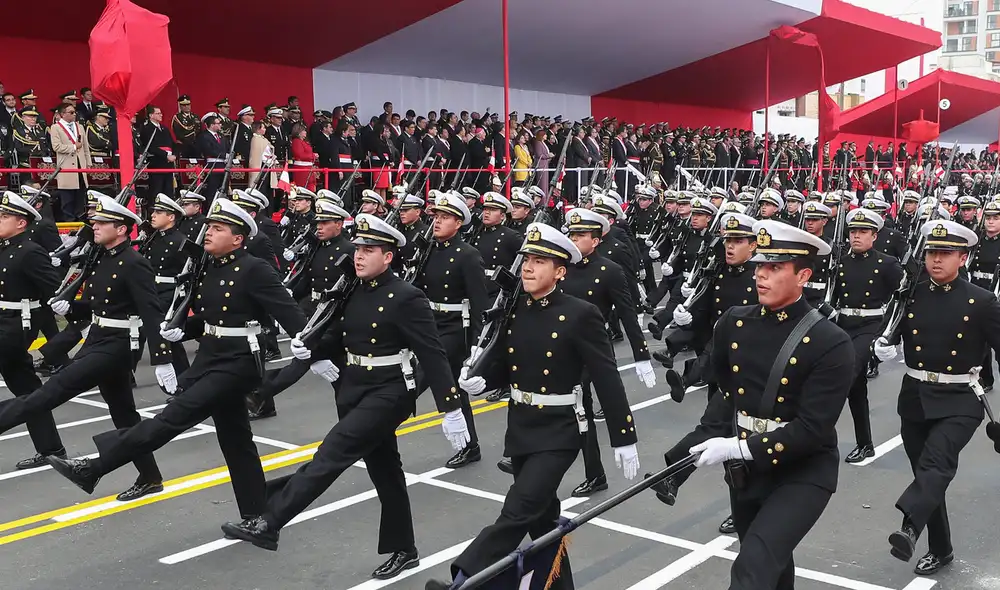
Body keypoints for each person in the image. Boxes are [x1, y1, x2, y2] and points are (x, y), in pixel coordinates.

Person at [222, 213, 467, 581]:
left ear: (389, 256)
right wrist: (312, 349)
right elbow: (339, 334)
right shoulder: (352, 290)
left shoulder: (407, 297)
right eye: (358, 249)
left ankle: (270, 521)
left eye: (369, 250)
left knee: (332, 453)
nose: (359, 256)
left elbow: (432, 353)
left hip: (389, 392)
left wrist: (450, 406)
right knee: (386, 472)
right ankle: (405, 549)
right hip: (354, 387)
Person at [48, 198, 308, 522]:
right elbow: (212, 318)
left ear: (239, 238)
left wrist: (310, 354)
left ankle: (94, 467)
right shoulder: (208, 265)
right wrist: (180, 332)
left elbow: (292, 316)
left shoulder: (256, 270)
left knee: (172, 418)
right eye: (209, 226)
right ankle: (258, 513)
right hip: (211, 359)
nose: (208, 232)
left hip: (238, 364)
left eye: (217, 228)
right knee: (236, 441)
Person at [425, 222, 640, 590]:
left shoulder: (581, 313)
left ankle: (463, 579)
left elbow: (606, 377)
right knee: (543, 522)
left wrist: (623, 436)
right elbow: (508, 368)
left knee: (518, 509)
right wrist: (482, 381)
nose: (527, 267)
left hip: (558, 432)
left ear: (559, 271)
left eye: (540, 261)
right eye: (527, 259)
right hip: (521, 427)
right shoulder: (513, 309)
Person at [655, 219, 854, 590]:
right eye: (760, 265)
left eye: (775, 268)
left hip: (801, 472)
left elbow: (813, 429)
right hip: (746, 473)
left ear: (803, 275)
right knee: (772, 570)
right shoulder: (735, 323)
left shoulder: (831, 342)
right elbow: (728, 399)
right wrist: (680, 461)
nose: (761, 275)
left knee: (752, 568)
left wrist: (737, 447)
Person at [2, 196, 171, 501]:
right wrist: (71, 306)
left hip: (118, 345)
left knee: (52, 390)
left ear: (121, 229)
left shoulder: (134, 263)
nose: (95, 225)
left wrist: (161, 358)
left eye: (103, 222)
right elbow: (96, 306)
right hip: (99, 338)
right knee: (124, 415)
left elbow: (151, 311)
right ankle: (150, 476)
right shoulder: (101, 257)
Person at [873, 219, 1000, 575]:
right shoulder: (912, 291)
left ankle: (909, 527)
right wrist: (883, 344)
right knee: (929, 476)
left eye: (946, 253)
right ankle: (941, 549)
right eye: (931, 252)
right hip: (915, 395)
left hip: (960, 398)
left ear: (963, 257)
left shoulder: (982, 301)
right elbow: (895, 328)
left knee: (935, 464)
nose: (936, 260)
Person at [412, 192, 490, 468]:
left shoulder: (468, 255)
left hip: (456, 329)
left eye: (445, 218)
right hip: (430, 324)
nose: (437, 222)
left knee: (421, 378)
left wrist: (479, 345)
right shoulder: (429, 249)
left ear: (458, 223)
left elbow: (481, 304)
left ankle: (382, 423)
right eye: (436, 217)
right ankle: (470, 446)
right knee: (455, 389)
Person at [831, 208, 902, 463]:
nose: (856, 236)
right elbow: (832, 294)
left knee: (842, 378)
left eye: (863, 232)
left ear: (874, 235)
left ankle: (817, 436)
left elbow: (901, 299)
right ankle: (865, 444)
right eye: (853, 231)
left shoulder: (886, 263)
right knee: (856, 389)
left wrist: (888, 334)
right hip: (841, 325)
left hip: (869, 326)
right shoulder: (838, 260)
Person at [0, 191, 64, 469]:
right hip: (4, 322)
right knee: (27, 389)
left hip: (15, 326)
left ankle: (51, 447)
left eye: (4, 217)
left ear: (21, 223)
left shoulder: (30, 251)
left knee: (25, 388)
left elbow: (54, 289)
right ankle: (51, 448)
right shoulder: (5, 247)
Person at [134, 193, 193, 377]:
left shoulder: (180, 241)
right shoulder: (154, 238)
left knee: (165, 335)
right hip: (150, 291)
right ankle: (126, 373)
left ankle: (184, 379)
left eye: (159, 212)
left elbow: (188, 273)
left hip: (169, 294)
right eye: (154, 211)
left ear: (171, 217)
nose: (153, 215)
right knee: (136, 332)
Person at [49, 103, 92, 221]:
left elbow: (85, 147)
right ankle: (69, 223)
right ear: (62, 114)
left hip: (80, 166)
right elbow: (56, 147)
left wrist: (88, 163)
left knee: (80, 196)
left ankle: (80, 221)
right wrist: (73, 147)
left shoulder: (80, 127)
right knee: (67, 199)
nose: (74, 115)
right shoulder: (55, 127)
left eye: (74, 112)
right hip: (66, 167)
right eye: (71, 112)